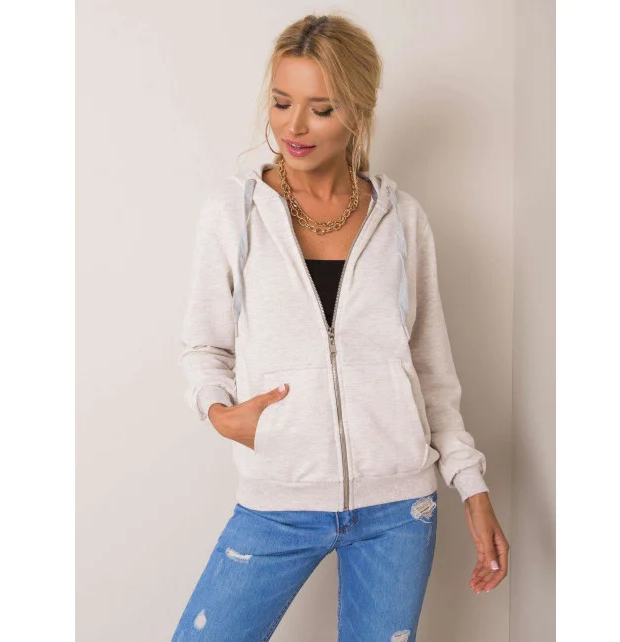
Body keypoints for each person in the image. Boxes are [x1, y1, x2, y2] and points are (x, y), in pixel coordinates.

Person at [171, 14, 509, 642]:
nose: (293, 127)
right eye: (281, 102)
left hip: (399, 510)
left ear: (358, 111)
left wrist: (471, 484)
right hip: (278, 501)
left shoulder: (402, 221)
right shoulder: (233, 215)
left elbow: (430, 370)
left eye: (320, 109)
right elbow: (204, 346)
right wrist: (219, 412)